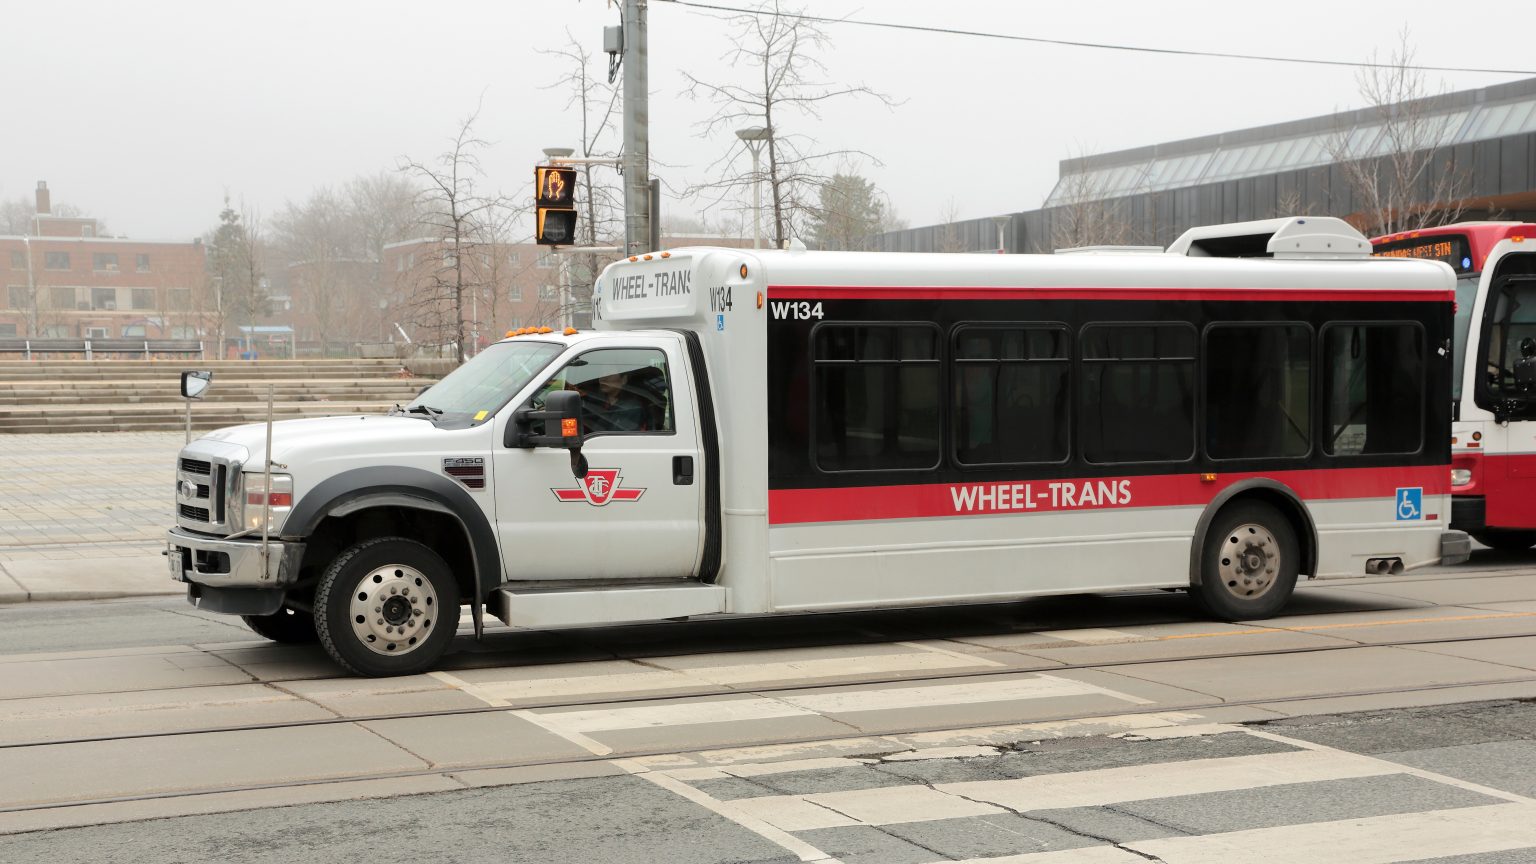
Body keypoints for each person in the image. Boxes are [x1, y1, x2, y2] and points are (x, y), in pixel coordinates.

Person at [578, 369, 651, 433]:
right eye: (600, 374)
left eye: (609, 374)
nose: (603, 378)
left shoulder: (631, 408)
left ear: (623, 379)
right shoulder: (598, 402)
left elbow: (613, 438)